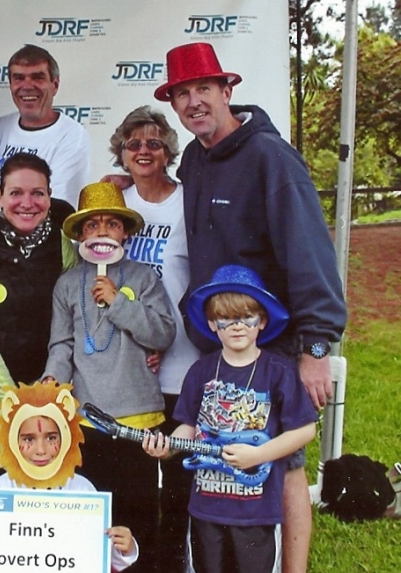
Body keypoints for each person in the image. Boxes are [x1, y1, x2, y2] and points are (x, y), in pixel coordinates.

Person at [155, 42, 347, 573]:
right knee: (231, 459)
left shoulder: (270, 157)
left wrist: (315, 348)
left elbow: (310, 254)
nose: (194, 102)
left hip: (277, 342)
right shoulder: (195, 158)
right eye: (182, 94)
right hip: (223, 340)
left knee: (286, 463)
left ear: (227, 90)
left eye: (203, 89)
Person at [143, 264, 318, 573]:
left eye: (246, 317)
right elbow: (188, 427)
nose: (237, 326)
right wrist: (168, 447)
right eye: (226, 318)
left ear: (262, 321)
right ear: (212, 323)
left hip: (257, 510)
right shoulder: (200, 371)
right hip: (206, 508)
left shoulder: (279, 372)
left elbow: (305, 430)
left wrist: (259, 455)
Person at [42, 181, 175, 573]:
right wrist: (52, 379)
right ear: (81, 234)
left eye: (111, 224)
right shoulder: (67, 284)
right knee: (92, 518)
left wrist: (118, 302)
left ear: (125, 232)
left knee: (137, 516)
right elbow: (62, 345)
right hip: (87, 420)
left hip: (138, 420)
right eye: (92, 224)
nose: (102, 231)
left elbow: (163, 333)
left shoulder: (144, 278)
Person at [109, 105, 198, 572]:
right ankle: (136, 561)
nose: (143, 151)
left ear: (168, 152)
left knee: (180, 475)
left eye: (153, 143)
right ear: (122, 153)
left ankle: (174, 559)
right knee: (135, 480)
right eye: (134, 144)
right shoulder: (114, 202)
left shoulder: (188, 201)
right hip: (132, 362)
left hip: (181, 357)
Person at [0, 152, 77, 486]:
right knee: (24, 455)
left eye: (38, 193)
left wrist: (48, 387)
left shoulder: (61, 243)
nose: (27, 203)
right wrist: (17, 400)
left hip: (44, 383)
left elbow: (72, 320)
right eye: (16, 193)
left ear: (50, 197)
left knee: (57, 460)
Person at [0, 382, 138, 571]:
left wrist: (125, 550)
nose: (41, 450)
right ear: (13, 440)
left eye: (51, 438)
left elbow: (96, 556)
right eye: (29, 439)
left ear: (66, 437)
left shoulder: (82, 491)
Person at [0, 44, 90, 214]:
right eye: (19, 78)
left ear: (55, 85)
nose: (27, 86)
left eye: (37, 77)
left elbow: (54, 209)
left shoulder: (71, 135)